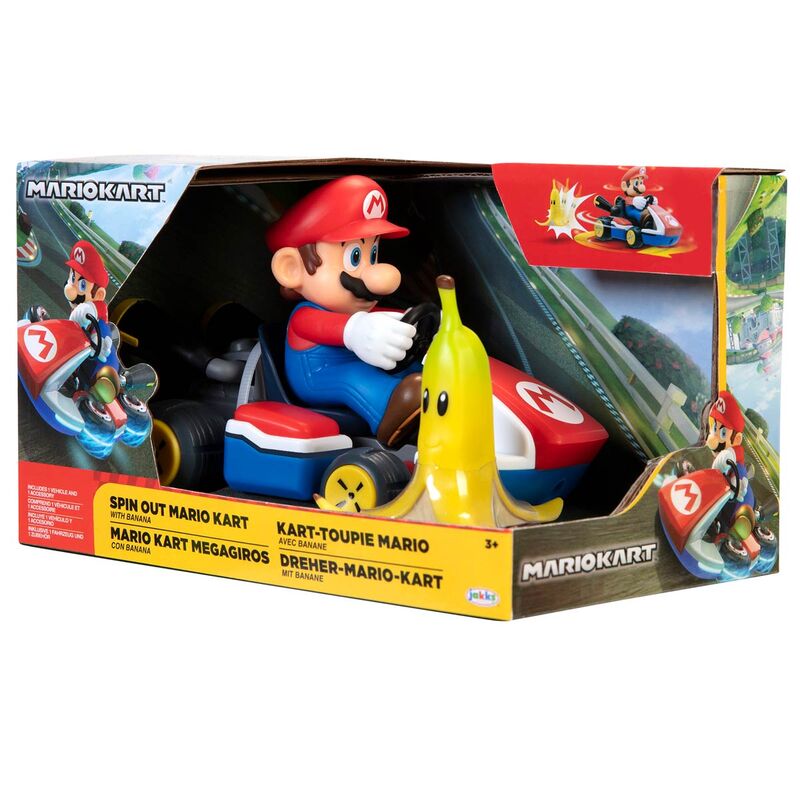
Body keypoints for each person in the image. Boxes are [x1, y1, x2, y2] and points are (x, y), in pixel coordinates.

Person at [266, 176, 422, 447]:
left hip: (357, 360)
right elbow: (340, 329)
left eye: (373, 254)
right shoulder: (304, 316)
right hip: (318, 375)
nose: (375, 275)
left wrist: (409, 325)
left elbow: (377, 322)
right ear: (291, 268)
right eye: (354, 257)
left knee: (408, 367)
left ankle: (428, 397)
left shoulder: (355, 311)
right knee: (355, 377)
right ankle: (390, 417)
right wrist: (358, 329)